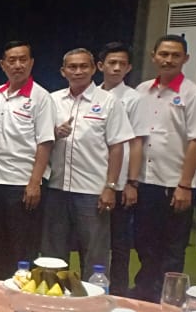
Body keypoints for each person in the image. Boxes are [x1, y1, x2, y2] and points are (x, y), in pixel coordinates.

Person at [41, 48, 134, 279]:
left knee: (95, 255)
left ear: (94, 69)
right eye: (72, 67)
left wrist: (110, 187)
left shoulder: (109, 102)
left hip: (93, 191)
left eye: (84, 66)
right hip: (57, 188)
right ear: (63, 71)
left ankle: (94, 299)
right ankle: (53, 296)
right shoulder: (53, 100)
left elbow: (117, 146)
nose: (78, 71)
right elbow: (41, 140)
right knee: (53, 254)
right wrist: (55, 133)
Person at [132, 35, 196, 302]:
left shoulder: (193, 94)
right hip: (146, 181)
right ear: (153, 56)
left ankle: (168, 299)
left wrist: (185, 185)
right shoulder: (142, 90)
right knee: (144, 242)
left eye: (175, 55)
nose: (168, 60)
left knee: (172, 247)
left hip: (175, 184)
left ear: (186, 59)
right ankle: (145, 292)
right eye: (163, 54)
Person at [0, 41, 55, 279]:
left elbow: (45, 142)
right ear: (2, 65)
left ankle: (22, 296)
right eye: (12, 60)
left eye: (23, 59)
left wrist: (35, 183)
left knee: (22, 249)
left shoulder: (41, 97)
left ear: (31, 63)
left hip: (23, 184)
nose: (17, 65)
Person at [97, 42, 146, 294]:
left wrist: (131, 182)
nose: (116, 68)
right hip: (94, 179)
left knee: (119, 243)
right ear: (100, 66)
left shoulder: (134, 99)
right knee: (95, 240)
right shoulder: (93, 94)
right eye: (111, 63)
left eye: (121, 64)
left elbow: (136, 143)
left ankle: (118, 292)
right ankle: (93, 287)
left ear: (129, 68)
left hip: (120, 181)